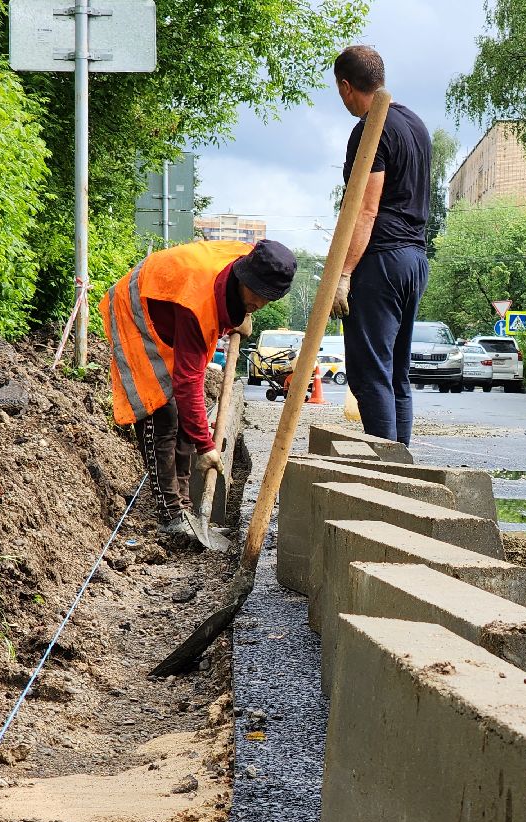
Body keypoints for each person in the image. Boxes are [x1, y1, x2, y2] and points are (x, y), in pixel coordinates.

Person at [101, 238, 296, 541]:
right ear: (244, 276)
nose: (260, 302)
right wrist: (206, 446)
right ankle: (170, 514)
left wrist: (239, 317)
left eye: (267, 298)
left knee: (182, 419)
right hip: (135, 308)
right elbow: (187, 383)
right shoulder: (196, 305)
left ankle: (185, 506)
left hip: (173, 307)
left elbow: (231, 299)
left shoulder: (255, 257)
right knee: (161, 412)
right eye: (256, 294)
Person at [330, 45, 431, 445]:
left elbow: (365, 210)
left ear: (346, 86)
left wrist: (343, 274)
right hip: (415, 260)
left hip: (381, 261)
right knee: (395, 374)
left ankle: (385, 477)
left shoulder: (372, 129)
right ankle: (401, 470)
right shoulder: (415, 124)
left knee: (370, 374)